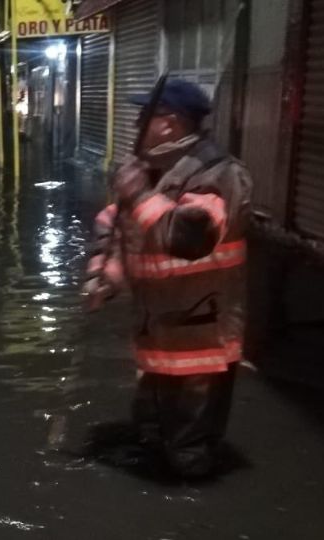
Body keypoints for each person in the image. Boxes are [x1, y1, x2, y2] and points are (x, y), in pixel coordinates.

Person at [84, 79, 253, 479]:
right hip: (156, 330)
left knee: (189, 449)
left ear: (170, 123)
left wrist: (141, 195)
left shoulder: (219, 174)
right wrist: (103, 274)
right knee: (150, 433)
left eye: (145, 115)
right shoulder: (152, 168)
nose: (137, 121)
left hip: (200, 336)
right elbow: (114, 223)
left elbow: (192, 238)